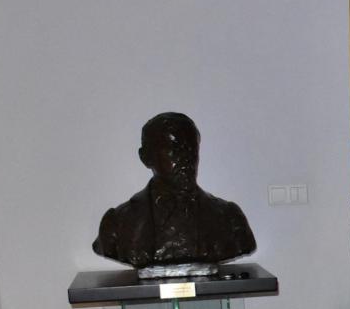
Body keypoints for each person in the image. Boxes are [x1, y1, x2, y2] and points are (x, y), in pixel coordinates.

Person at [93, 112, 256, 271]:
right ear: (146, 157)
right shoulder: (116, 224)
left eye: (191, 147)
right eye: (174, 148)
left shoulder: (229, 218)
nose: (186, 157)